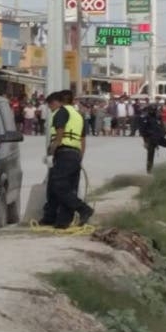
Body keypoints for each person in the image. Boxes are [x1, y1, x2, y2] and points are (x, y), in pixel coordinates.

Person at [43, 90, 93, 229]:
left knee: (58, 186)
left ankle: (83, 209)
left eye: (50, 105)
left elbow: (60, 132)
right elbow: (83, 140)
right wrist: (79, 157)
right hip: (75, 154)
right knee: (69, 187)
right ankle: (63, 221)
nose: (50, 108)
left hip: (63, 152)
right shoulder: (78, 116)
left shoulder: (61, 112)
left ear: (58, 102)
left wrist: (51, 151)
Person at [139, 104, 166, 174]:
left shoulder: (158, 117)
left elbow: (161, 126)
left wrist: (164, 132)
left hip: (159, 138)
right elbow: (142, 131)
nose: (153, 111)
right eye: (152, 110)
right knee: (150, 155)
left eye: (155, 110)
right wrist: (145, 142)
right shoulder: (145, 118)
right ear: (149, 110)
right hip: (150, 139)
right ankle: (149, 171)